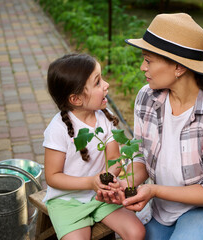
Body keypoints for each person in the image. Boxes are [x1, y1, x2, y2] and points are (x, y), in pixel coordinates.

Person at [97, 13, 203, 240]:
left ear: (178, 67)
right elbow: (141, 158)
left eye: (149, 60)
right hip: (162, 210)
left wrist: (153, 190)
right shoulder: (147, 98)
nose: (143, 67)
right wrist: (122, 185)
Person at [42, 53, 145, 240]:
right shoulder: (57, 129)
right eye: (98, 82)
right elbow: (52, 177)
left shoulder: (105, 117)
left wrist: (110, 183)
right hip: (67, 201)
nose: (106, 85)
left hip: (100, 197)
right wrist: (90, 182)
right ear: (76, 99)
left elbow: (114, 160)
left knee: (137, 232)